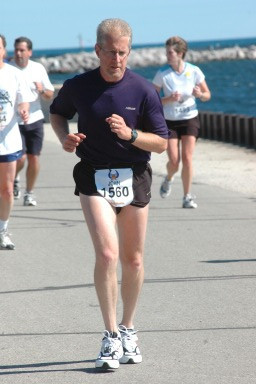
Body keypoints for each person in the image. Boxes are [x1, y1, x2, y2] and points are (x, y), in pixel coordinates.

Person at [50, 18, 168, 369]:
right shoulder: (78, 85)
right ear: (97, 50)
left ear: (129, 51)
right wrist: (65, 138)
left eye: (123, 52)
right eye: (110, 52)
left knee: (132, 260)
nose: (117, 59)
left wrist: (131, 135)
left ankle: (128, 327)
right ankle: (110, 336)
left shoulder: (144, 90)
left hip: (134, 175)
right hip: (93, 175)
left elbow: (161, 143)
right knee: (106, 254)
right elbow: (57, 114)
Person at [152, 36, 211, 208]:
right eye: (167, 52)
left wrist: (200, 95)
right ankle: (169, 178)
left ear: (180, 53)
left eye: (170, 52)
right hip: (169, 122)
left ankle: (187, 197)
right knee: (174, 161)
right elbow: (152, 100)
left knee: (187, 158)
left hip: (190, 118)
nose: (167, 55)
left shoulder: (194, 71)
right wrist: (168, 99)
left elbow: (208, 95)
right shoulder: (162, 73)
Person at [11, 37, 54, 206]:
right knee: (20, 159)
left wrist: (41, 89)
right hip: (13, 122)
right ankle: (14, 177)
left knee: (34, 158)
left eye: (22, 50)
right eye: (16, 50)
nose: (18, 53)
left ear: (29, 52)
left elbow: (49, 94)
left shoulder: (38, 68)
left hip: (35, 119)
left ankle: (29, 193)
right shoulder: (7, 69)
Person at [0, 34, 31, 249]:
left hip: (8, 140)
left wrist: (23, 110)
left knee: (7, 190)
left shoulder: (13, 74)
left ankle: (3, 230)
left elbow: (24, 100)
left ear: (3, 50)